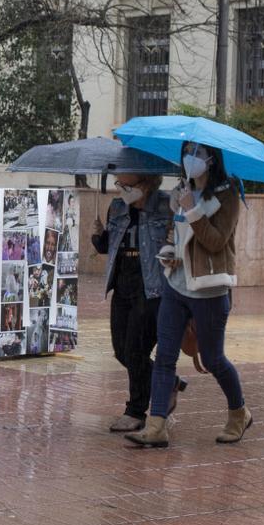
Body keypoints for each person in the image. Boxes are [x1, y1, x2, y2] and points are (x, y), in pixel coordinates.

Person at [127, 142, 250, 448]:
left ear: (212, 158)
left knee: (212, 358)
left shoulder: (228, 194)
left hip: (209, 290)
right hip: (176, 285)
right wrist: (170, 247)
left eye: (198, 153)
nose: (190, 158)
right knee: (165, 356)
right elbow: (178, 236)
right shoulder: (184, 188)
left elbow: (216, 242)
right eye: (187, 152)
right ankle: (156, 425)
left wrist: (192, 209)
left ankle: (239, 413)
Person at [90, 173, 175, 433]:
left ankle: (135, 411)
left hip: (151, 286)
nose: (122, 189)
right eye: (119, 185)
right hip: (122, 284)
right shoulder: (117, 207)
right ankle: (167, 382)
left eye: (127, 185)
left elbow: (180, 242)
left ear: (147, 183)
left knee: (136, 349)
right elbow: (108, 246)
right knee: (121, 351)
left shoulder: (167, 205)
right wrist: (98, 236)